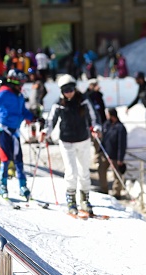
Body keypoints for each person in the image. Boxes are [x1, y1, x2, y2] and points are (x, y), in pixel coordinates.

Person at [44, 74, 101, 216]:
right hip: (66, 141)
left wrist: (96, 128)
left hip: (83, 140)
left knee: (84, 172)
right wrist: (46, 132)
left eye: (70, 89)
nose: (68, 93)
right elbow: (51, 121)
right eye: (65, 90)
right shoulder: (59, 104)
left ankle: (85, 200)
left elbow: (94, 117)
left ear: (75, 88)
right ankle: (71, 201)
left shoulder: (83, 101)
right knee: (71, 172)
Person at [0, 69, 38, 200]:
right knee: (5, 159)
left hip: (15, 131)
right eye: (21, 83)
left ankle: (23, 186)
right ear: (14, 81)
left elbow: (23, 111)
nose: (22, 86)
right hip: (4, 129)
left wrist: (34, 117)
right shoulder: (4, 92)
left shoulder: (19, 96)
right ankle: (2, 186)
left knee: (18, 159)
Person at [96, 108, 127, 199]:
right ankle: (104, 189)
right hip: (105, 153)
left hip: (115, 156)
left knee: (117, 174)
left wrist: (120, 158)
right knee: (101, 170)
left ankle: (117, 192)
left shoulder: (120, 128)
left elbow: (122, 144)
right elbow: (103, 137)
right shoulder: (107, 124)